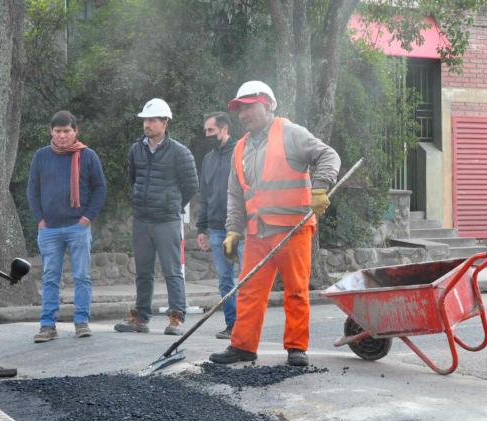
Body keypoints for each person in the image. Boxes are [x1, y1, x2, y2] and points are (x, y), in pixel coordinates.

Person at [209, 81, 340, 367]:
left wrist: (319, 189)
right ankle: (243, 346)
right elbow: (235, 194)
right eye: (240, 109)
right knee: (249, 291)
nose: (244, 114)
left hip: (293, 228)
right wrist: (233, 230)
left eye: (250, 107)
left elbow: (329, 155)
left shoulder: (291, 133)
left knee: (295, 290)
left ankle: (296, 348)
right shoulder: (240, 148)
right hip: (258, 232)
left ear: (267, 106)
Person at [114, 98, 198, 335]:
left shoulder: (180, 152)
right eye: (145, 120)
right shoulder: (135, 149)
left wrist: (172, 205)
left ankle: (176, 318)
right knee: (143, 271)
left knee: (172, 270)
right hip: (142, 219)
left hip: (167, 219)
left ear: (165, 122)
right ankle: (141, 318)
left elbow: (191, 186)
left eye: (152, 120)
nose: (147, 124)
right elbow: (133, 179)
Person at [28, 111, 107, 342]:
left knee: (82, 276)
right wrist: (40, 220)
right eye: (58, 131)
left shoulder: (87, 156)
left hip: (78, 227)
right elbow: (32, 190)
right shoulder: (41, 156)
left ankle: (81, 321)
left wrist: (87, 218)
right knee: (50, 277)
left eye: (67, 131)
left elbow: (100, 189)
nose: (62, 136)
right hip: (49, 229)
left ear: (75, 131)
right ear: (51, 132)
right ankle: (47, 326)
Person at [197, 111, 242, 339]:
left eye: (211, 130)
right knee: (225, 281)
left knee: (246, 280)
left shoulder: (241, 153)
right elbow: (204, 195)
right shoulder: (209, 159)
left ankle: (247, 328)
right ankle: (232, 325)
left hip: (242, 228)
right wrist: (201, 229)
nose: (206, 134)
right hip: (215, 228)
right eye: (206, 130)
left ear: (224, 129)